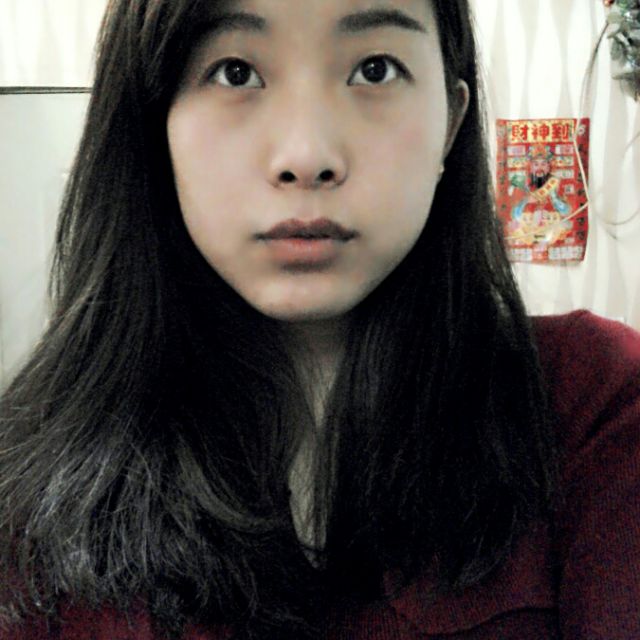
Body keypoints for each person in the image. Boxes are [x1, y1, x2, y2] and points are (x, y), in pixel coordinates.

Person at [1, 0, 638, 638]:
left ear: (451, 120)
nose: (306, 156)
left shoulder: (595, 406)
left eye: (375, 69)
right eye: (234, 72)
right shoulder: (27, 481)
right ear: (152, 122)